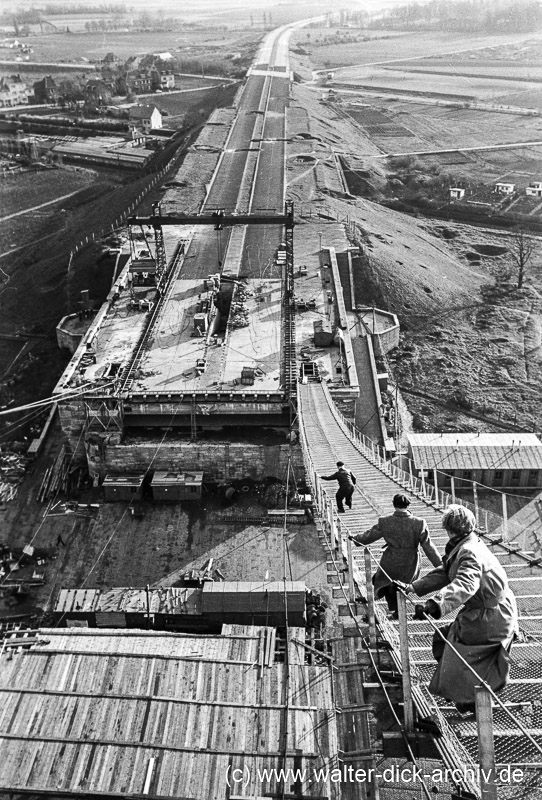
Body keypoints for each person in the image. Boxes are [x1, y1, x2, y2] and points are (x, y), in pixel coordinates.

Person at [406, 504, 518, 716]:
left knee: (455, 650)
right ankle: (467, 698)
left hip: (489, 616)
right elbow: (447, 572)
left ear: (448, 529)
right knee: (445, 640)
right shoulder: (468, 542)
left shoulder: (468, 551)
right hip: (492, 610)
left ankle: (470, 701)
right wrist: (414, 587)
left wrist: (435, 604)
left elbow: (466, 583)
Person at [350, 493, 441, 617]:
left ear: (393, 504)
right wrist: (441, 566)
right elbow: (428, 546)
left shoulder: (385, 521)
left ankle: (378, 602)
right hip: (410, 562)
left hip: (390, 560)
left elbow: (369, 536)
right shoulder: (419, 523)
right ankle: (398, 611)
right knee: (401, 586)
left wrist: (356, 539)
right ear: (408, 505)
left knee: (383, 581)